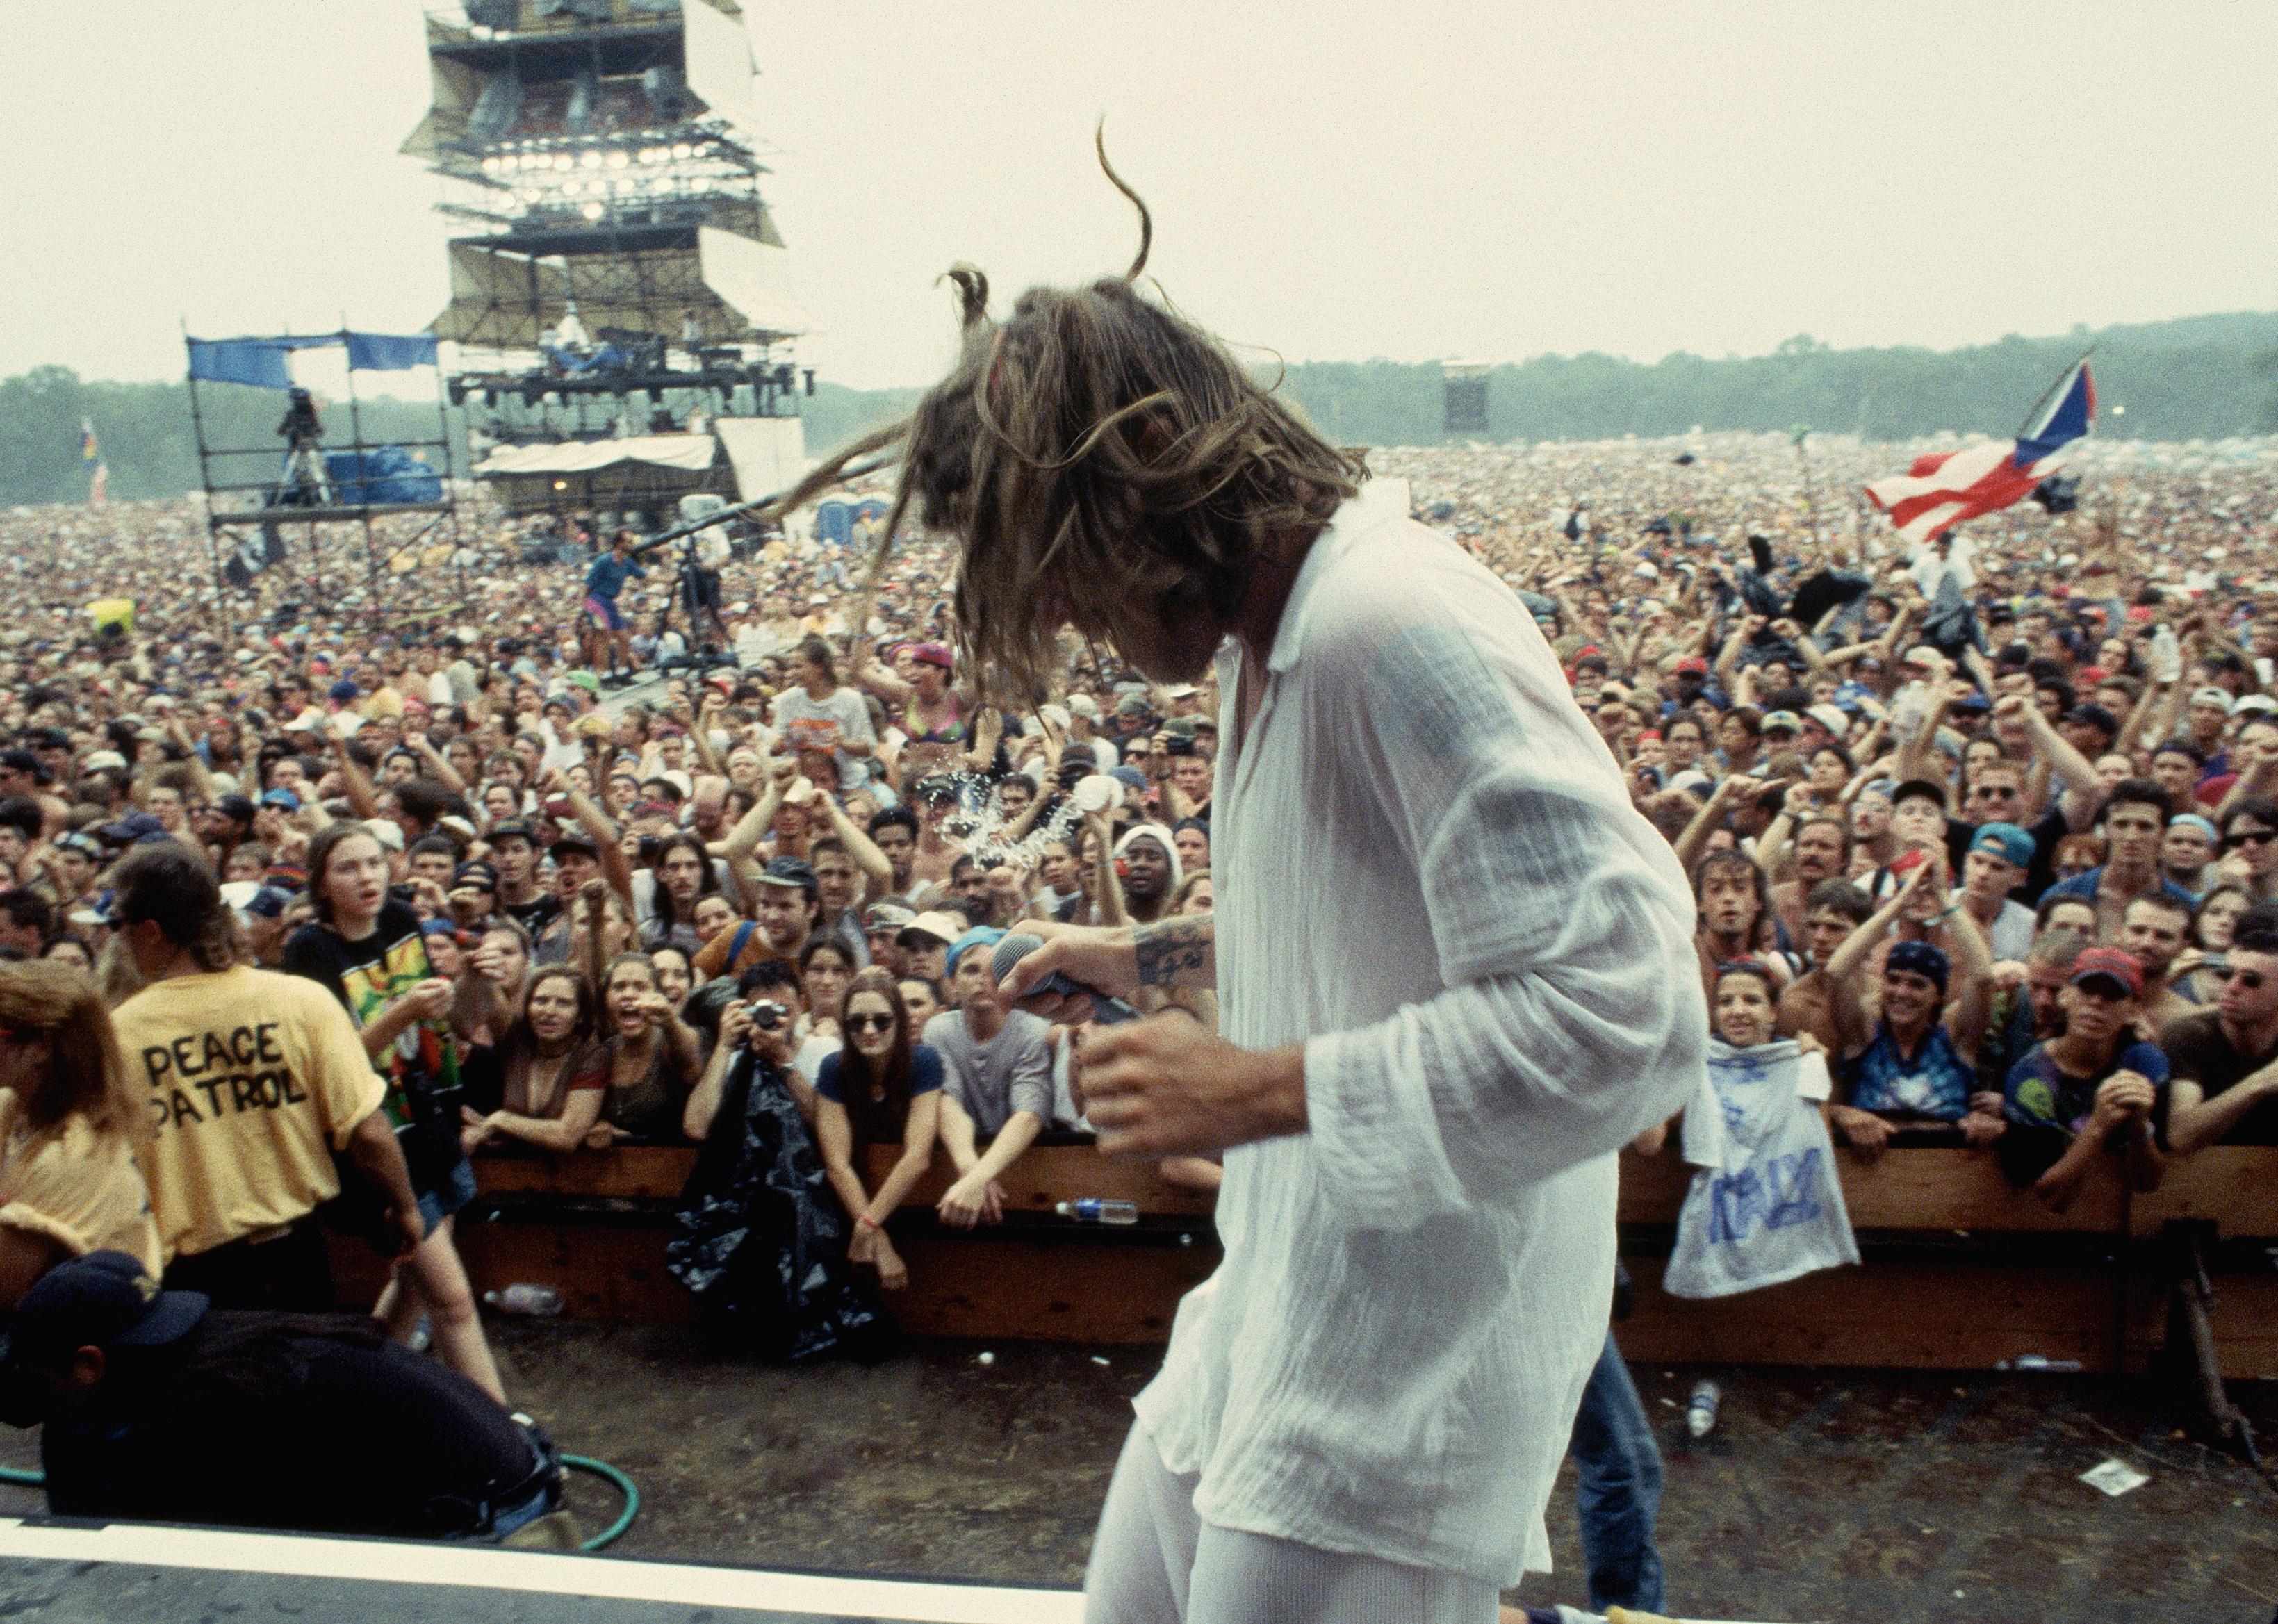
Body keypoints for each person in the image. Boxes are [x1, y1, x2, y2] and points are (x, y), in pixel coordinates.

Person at [847, 175, 1702, 1621]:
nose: (1059, 617)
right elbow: (1375, 935)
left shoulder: (1396, 626)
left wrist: (1250, 1091)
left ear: (1163, 460)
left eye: (1059, 563)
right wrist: (1131, 954)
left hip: (1398, 1387)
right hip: (1268, 1322)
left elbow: (1627, 1014)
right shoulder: (1271, 648)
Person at [0, 1251, 564, 1542]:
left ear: (90, 1364)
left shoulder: (208, 1407)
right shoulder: (217, 1343)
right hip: (509, 1460)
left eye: (44, 1378)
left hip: (502, 1520)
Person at [102, 843, 424, 1310]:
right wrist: (406, 1205)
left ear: (151, 931)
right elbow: (370, 1132)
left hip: (194, 1277)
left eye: (122, 927)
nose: (121, 941)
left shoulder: (117, 1035)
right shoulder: (300, 1000)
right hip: (298, 1254)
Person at [281, 823, 505, 1402]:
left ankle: (363, 1395)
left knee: (412, 1282)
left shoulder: (405, 919)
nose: (367, 878)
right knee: (453, 1300)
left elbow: (461, 1025)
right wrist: (404, 1010)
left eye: (374, 864)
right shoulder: (310, 949)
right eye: (348, 868)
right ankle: (508, 1443)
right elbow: (336, 1061)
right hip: (382, 1144)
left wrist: (478, 982)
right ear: (323, 883)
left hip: (433, 1123)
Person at [669, 993, 887, 1362]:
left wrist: (784, 1059)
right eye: (758, 1011)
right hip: (747, 1200)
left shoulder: (823, 1050)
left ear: (799, 1008)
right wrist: (725, 1046)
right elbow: (696, 1125)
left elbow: (829, 1130)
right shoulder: (733, 1056)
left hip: (814, 1194)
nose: (768, 1020)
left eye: (777, 1011)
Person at [0, 962, 162, 1302]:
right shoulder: (17, 1106)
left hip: (82, 1332)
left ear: (41, 1048)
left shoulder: (72, 1153)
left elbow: (7, 1284)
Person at [2000, 946, 2167, 1210]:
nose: (2097, 1003)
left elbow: (2148, 1183)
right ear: (2065, 995)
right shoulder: (2031, 1076)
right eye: (2087, 991)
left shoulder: (2144, 1063)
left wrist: (2139, 1124)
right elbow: (2050, 1197)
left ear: (2133, 1011)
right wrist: (2098, 1127)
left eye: (2113, 996)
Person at [812, 969, 944, 1293]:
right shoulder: (834, 1067)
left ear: (898, 1022)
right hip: (854, 1195)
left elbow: (917, 1158)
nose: (869, 1030)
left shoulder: (923, 1061)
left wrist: (867, 1227)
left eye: (882, 1020)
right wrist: (876, 1237)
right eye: (857, 1022)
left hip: (911, 1195)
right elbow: (836, 1164)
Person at [926, 929, 1052, 1230]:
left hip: (1028, 1177)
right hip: (962, 1173)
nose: (983, 979)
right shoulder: (939, 1030)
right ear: (953, 984)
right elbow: (947, 1103)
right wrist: (972, 1172)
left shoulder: (1034, 1029)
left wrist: (977, 1179)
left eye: (994, 969)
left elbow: (1030, 1113)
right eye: (970, 970)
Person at [2158, 926, 2278, 1151]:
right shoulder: (2189, 1035)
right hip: (2198, 1176)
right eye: (2226, 974)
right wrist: (2260, 1083)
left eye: (2251, 981)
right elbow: (2181, 1136)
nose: (2232, 987)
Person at [581, 529, 645, 680]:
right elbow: (588, 585)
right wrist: (584, 607)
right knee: (604, 637)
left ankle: (622, 671)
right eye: (629, 541)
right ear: (619, 543)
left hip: (610, 602)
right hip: (596, 600)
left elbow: (643, 576)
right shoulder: (603, 561)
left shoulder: (627, 562)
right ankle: (605, 674)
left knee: (624, 637)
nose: (631, 544)